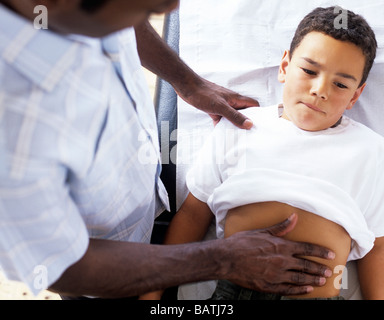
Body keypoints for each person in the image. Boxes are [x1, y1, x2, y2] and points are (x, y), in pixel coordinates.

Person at [0, 0, 336, 299]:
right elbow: (61, 266)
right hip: (106, 265)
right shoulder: (14, 124)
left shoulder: (75, 12)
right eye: (149, 8)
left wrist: (187, 82)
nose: (172, 8)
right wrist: (223, 259)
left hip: (147, 199)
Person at [142, 7, 384, 300]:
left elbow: (378, 244)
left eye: (341, 85)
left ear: (355, 96)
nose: (320, 90)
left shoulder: (371, 151)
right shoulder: (241, 126)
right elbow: (194, 213)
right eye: (309, 71)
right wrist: (152, 294)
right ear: (284, 67)